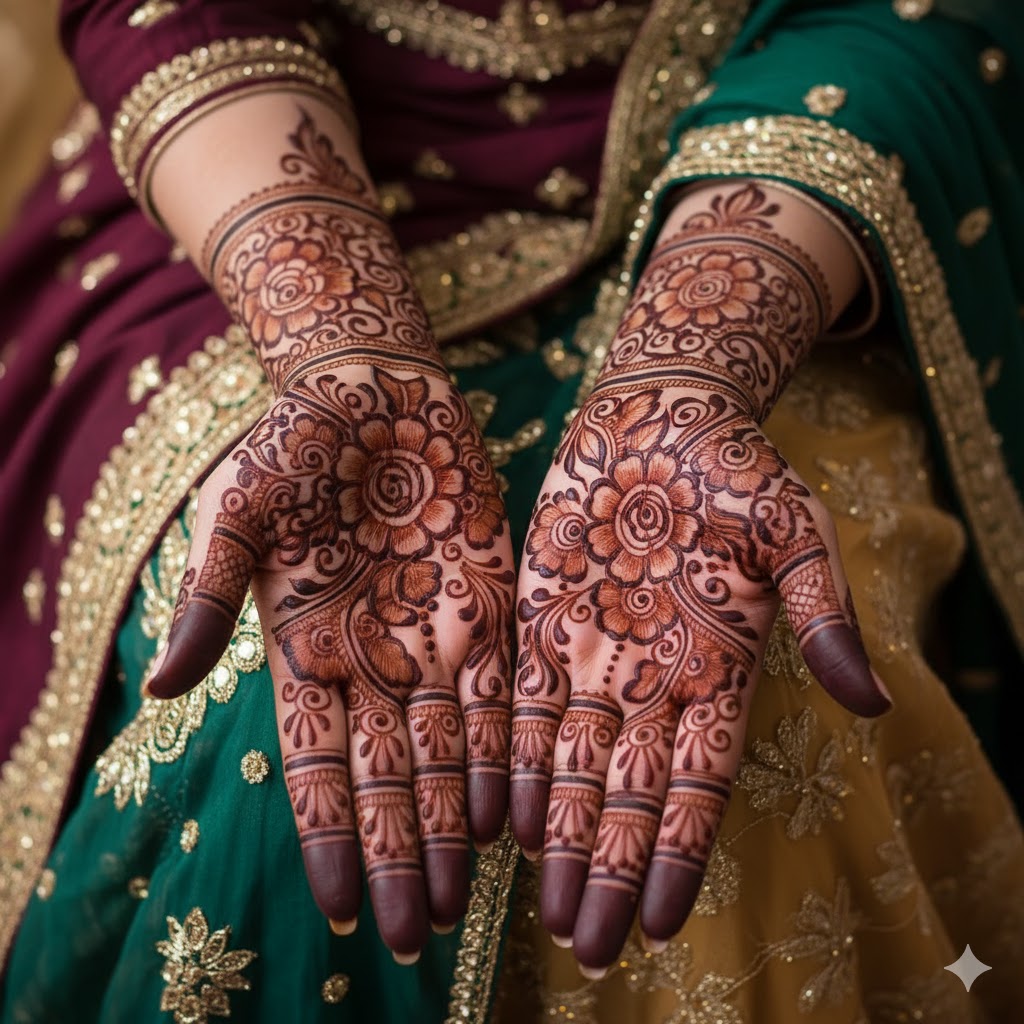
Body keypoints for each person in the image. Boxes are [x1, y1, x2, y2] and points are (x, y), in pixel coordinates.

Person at [1, 0, 1022, 1020]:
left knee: (765, 678)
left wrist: (689, 367)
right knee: (271, 674)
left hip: (790, 204)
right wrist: (343, 354)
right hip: (250, 176)